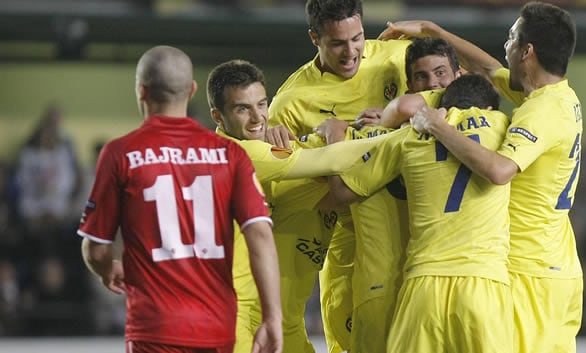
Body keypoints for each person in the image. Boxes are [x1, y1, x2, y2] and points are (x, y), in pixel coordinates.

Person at [389, 2, 584, 352]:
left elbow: (499, 170)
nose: (504, 46)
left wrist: (436, 125)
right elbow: (488, 67)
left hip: (529, 271)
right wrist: (436, 32)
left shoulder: (539, 112)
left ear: (527, 52)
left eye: (511, 38)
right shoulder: (556, 97)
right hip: (556, 263)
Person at [77, 46, 282, 353]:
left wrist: (107, 268)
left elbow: (95, 248)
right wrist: (272, 317)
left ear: (142, 91)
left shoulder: (121, 153)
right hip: (217, 328)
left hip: (154, 330)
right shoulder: (230, 155)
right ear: (192, 90)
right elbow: (261, 235)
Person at [206, 59, 392, 353]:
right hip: (246, 323)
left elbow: (333, 188)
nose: (258, 118)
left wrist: (343, 132)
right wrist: (412, 132)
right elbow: (333, 166)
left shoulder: (269, 158)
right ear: (218, 116)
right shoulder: (245, 156)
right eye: (242, 108)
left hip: (285, 322)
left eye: (261, 104)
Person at [321, 74, 512, 353]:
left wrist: (335, 132)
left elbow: (340, 193)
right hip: (483, 282)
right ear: (489, 109)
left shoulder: (409, 136)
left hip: (423, 286)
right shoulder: (502, 125)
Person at [267, 1, 411, 351]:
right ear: (314, 37)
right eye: (337, 43)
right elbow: (279, 175)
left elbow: (455, 87)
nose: (351, 52)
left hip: (410, 223)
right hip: (344, 233)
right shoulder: (290, 102)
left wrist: (434, 32)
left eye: (357, 38)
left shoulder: (397, 56)